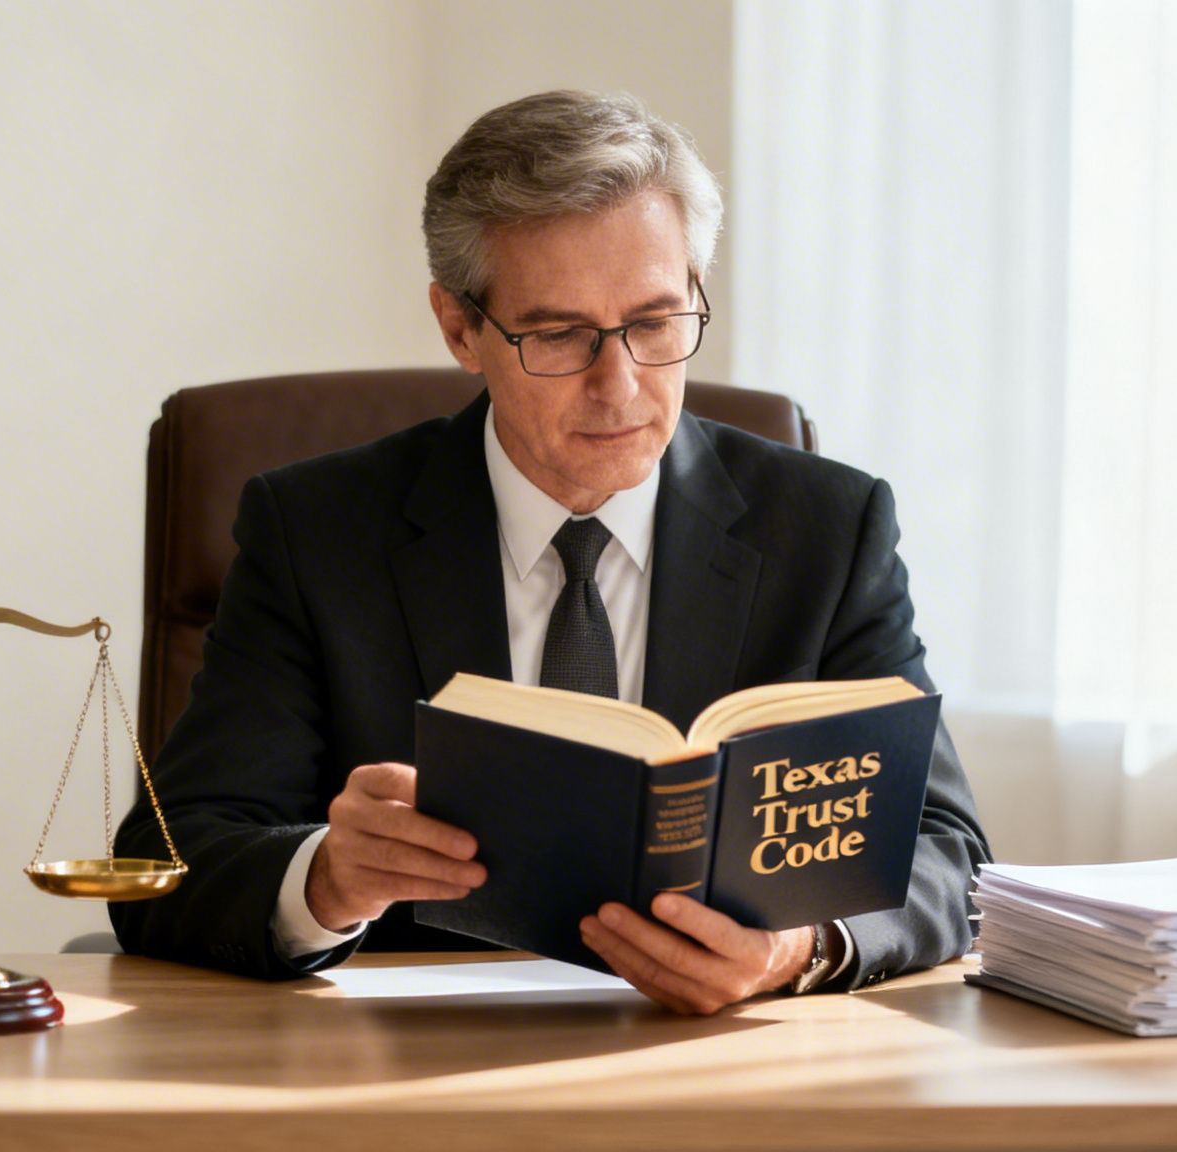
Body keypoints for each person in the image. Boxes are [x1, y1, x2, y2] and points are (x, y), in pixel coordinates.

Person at [111, 89, 990, 1014]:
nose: (621, 387)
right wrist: (324, 879)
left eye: (655, 323)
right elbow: (168, 856)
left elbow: (948, 851)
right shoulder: (317, 531)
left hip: (719, 1060)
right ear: (459, 328)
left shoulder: (825, 527)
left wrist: (799, 949)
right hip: (406, 1060)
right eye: (560, 335)